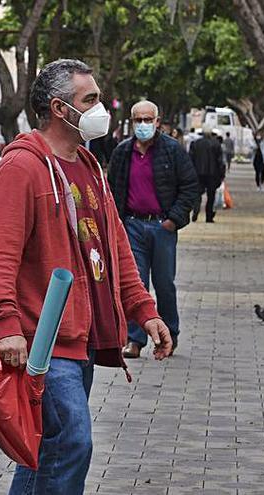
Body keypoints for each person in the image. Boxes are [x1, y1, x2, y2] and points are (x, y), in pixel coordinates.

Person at [0, 59, 172, 494]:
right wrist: (6, 325)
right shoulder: (22, 167)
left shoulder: (89, 165)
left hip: (80, 338)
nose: (101, 109)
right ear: (59, 108)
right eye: (91, 100)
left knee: (46, 448)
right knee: (72, 442)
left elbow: (115, 248)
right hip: (41, 340)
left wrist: (145, 311)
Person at [108, 101, 199, 359]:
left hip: (162, 226)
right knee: (135, 282)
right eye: (138, 120)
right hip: (133, 225)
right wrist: (117, 223)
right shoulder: (123, 152)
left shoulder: (172, 150)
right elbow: (112, 190)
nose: (143, 125)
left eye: (148, 120)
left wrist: (174, 220)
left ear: (157, 121)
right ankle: (134, 339)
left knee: (164, 283)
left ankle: (170, 333)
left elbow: (190, 187)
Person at [189, 126, 225, 223]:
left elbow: (190, 159)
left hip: (198, 173)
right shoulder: (216, 144)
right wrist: (222, 174)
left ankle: (196, 210)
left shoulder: (195, 144)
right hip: (212, 174)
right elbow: (220, 161)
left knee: (197, 194)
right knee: (211, 195)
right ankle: (209, 216)